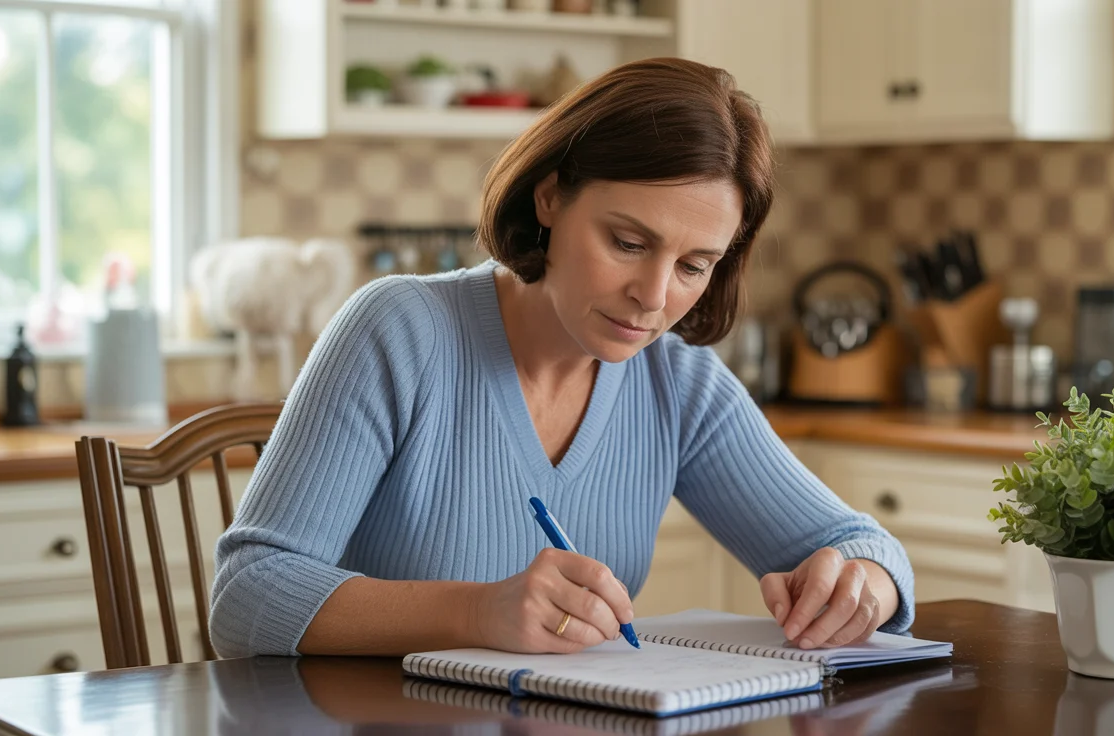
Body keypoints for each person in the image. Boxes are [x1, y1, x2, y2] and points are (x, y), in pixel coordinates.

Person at [210, 57, 914, 659]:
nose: (653, 296)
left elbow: (863, 545)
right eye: (628, 243)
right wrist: (475, 612)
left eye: (695, 264)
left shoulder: (679, 383)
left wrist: (861, 586)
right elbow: (248, 594)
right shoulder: (400, 331)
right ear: (550, 196)